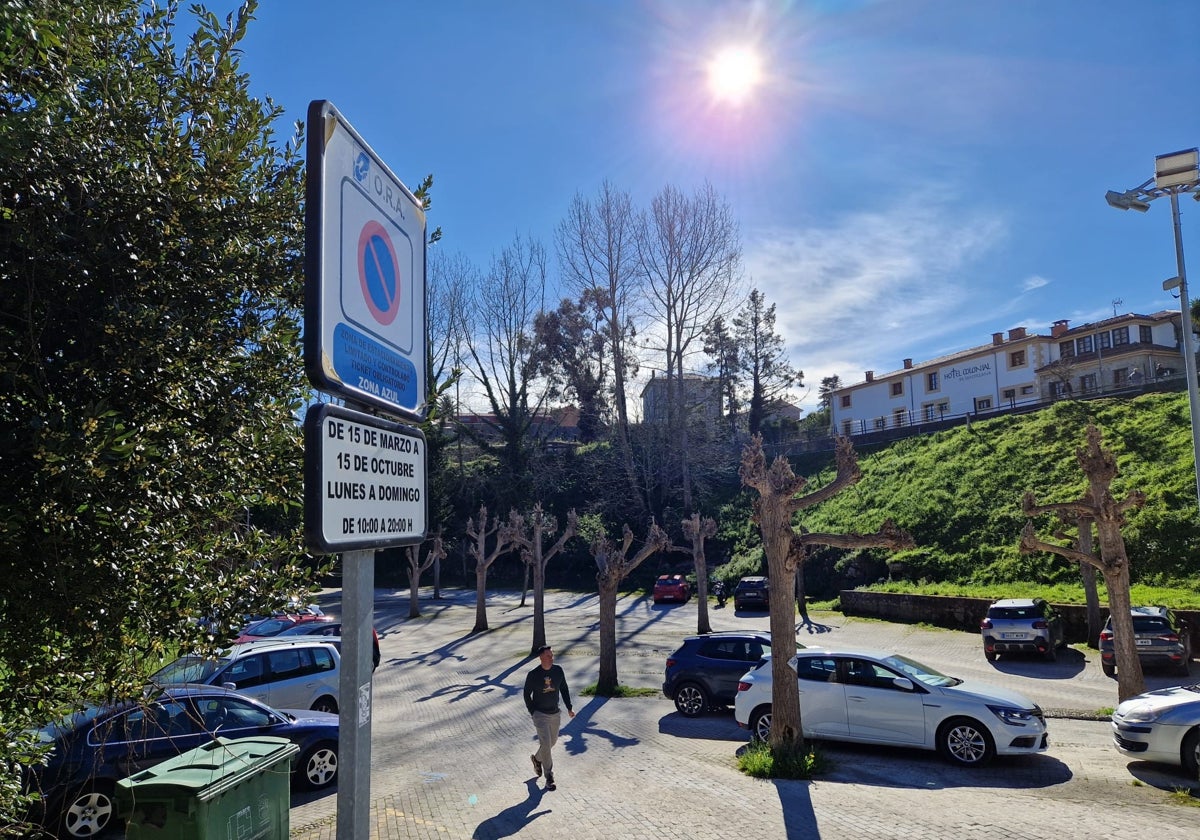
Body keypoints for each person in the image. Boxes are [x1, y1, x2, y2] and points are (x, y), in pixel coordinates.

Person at [522, 644, 575, 790]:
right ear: (541, 657)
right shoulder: (533, 675)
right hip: (539, 714)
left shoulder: (558, 671)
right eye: (548, 656)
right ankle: (549, 777)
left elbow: (564, 688)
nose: (551, 658)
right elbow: (526, 694)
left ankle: (537, 759)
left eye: (552, 655)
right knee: (546, 744)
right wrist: (532, 711)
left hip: (555, 713)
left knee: (551, 743)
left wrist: (569, 707)